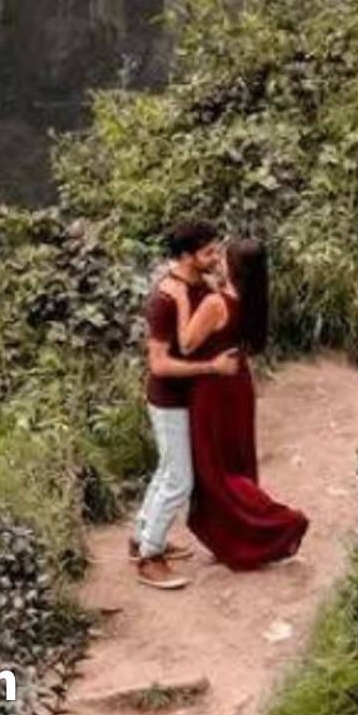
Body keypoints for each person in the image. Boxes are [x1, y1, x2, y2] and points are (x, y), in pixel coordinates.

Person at [162, 237, 309, 570]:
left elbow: (186, 343)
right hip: (239, 384)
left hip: (214, 389)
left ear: (235, 267)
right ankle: (245, 535)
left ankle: (281, 521)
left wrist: (181, 297)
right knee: (236, 464)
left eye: (223, 257)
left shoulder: (216, 304)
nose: (218, 260)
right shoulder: (253, 300)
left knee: (215, 469)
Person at [133, 219, 242, 591]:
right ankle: (150, 556)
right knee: (180, 480)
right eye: (209, 251)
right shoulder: (165, 300)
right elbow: (159, 363)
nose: (216, 256)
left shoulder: (199, 284)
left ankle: (142, 536)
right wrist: (211, 367)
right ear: (186, 256)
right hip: (169, 400)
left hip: (188, 398)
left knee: (167, 470)